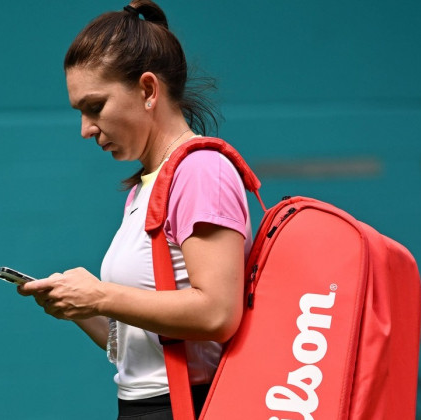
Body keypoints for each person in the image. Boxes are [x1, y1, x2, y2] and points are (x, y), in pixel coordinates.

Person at [17, 1, 252, 418]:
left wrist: (102, 295)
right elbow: (141, 346)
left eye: (95, 106)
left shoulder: (201, 171)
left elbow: (217, 313)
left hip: (189, 407)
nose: (86, 129)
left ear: (147, 90)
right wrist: (79, 307)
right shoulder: (147, 187)